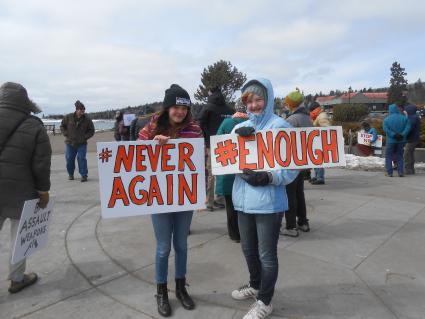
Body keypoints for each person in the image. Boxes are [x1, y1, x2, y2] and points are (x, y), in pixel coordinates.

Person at [230, 78, 298, 319]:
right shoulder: (239, 128)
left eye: (259, 99)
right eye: (250, 100)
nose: (254, 105)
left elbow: (292, 168)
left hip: (268, 203)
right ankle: (256, 285)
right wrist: (239, 140)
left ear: (268, 99)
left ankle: (265, 301)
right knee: (248, 250)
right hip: (242, 201)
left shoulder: (281, 127)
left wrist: (267, 176)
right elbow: (226, 160)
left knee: (266, 254)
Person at [138, 84, 203, 317]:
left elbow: (200, 160)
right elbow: (133, 155)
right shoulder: (152, 126)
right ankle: (161, 291)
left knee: (182, 245)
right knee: (163, 248)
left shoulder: (195, 128)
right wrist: (151, 143)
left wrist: (199, 193)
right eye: (175, 107)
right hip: (159, 197)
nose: (180, 112)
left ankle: (180, 288)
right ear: (168, 108)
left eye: (184, 108)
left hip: (184, 196)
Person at [0, 82, 51, 293]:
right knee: (20, 236)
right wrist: (43, 191)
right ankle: (17, 278)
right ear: (25, 100)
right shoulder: (34, 125)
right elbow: (41, 163)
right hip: (21, 190)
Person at [215, 98, 248, 242]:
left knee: (231, 205)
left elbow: (217, 143)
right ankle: (247, 232)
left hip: (230, 171)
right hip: (249, 170)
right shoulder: (254, 123)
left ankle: (234, 234)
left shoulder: (227, 123)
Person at [280, 89, 312, 237]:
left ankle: (291, 226)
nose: (286, 106)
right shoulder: (307, 117)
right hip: (303, 162)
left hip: (292, 162)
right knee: (299, 193)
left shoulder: (292, 120)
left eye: (287, 103)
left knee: (289, 194)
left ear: (291, 104)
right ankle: (303, 222)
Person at [197, 86, 233, 211]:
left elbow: (199, 123)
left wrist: (206, 140)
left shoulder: (207, 108)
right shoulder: (229, 109)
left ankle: (210, 202)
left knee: (212, 173)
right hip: (227, 144)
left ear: (210, 93)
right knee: (224, 171)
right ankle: (221, 199)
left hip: (212, 143)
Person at [60, 100, 95, 182]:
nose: (82, 112)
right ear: (77, 110)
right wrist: (66, 133)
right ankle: (70, 174)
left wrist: (85, 137)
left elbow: (91, 130)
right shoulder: (68, 117)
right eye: (81, 110)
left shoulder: (87, 120)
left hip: (82, 144)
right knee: (69, 158)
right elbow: (62, 126)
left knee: (81, 158)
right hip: (70, 143)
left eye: (83, 110)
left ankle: (84, 175)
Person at [383, 104, 411, 177]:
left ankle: (389, 172)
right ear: (397, 109)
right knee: (400, 156)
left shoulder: (386, 119)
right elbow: (408, 127)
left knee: (389, 156)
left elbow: (386, 129)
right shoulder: (404, 118)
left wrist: (393, 135)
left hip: (391, 141)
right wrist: (402, 134)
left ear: (390, 110)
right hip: (401, 140)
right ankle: (400, 172)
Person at [309, 101, 330, 185]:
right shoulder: (318, 116)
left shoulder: (321, 116)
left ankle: (320, 177)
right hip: (316, 140)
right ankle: (317, 175)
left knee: (318, 160)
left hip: (320, 140)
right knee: (315, 159)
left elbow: (326, 128)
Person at [404, 104, 421, 174]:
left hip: (411, 139)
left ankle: (408, 170)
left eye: (406, 110)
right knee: (410, 154)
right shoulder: (414, 117)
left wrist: (403, 134)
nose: (405, 111)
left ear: (409, 110)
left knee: (406, 154)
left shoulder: (412, 118)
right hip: (414, 139)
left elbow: (409, 128)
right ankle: (411, 170)